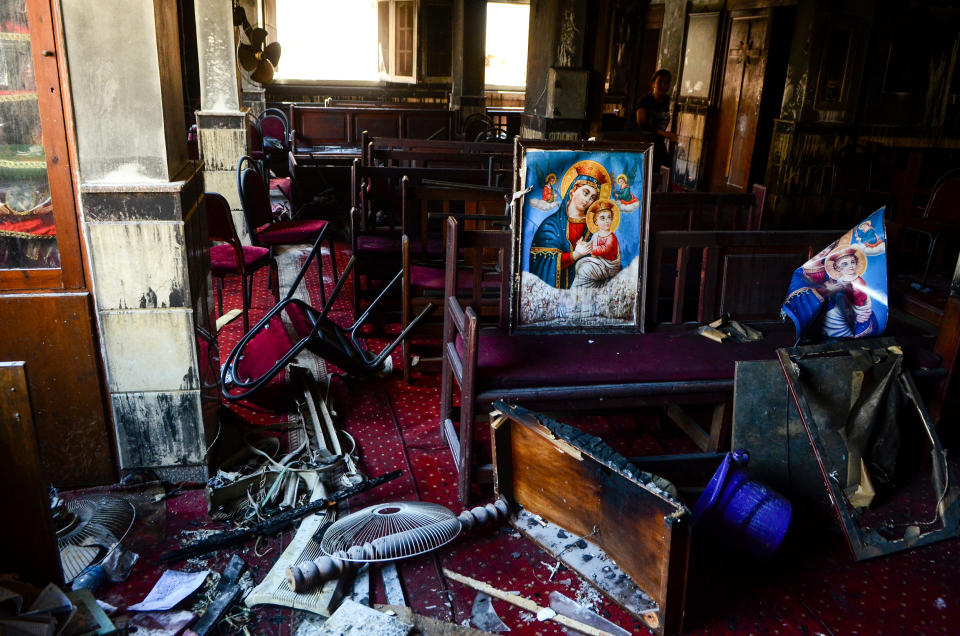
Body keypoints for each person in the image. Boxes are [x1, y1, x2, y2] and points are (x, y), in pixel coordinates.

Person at [529, 161, 609, 289]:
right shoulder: (550, 225)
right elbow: (543, 263)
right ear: (573, 190)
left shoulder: (593, 228)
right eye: (586, 193)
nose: (588, 200)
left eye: (593, 197)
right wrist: (576, 254)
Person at [783, 243, 877, 339]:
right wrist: (826, 290)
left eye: (852, 262)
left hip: (850, 311)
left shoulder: (857, 281)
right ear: (838, 267)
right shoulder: (835, 274)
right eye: (845, 264)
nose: (851, 266)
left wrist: (860, 311)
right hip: (827, 311)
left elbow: (860, 300)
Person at [573, 199, 622, 289]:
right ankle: (583, 290)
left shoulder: (611, 237)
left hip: (608, 266)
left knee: (585, 270)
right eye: (602, 218)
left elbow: (604, 250)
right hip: (598, 263)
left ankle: (578, 292)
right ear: (596, 222)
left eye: (609, 217)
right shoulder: (595, 235)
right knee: (579, 264)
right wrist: (582, 244)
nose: (607, 221)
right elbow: (590, 244)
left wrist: (590, 248)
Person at [635, 69, 677, 170]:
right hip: (644, 144)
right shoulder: (645, 101)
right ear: (653, 84)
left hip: (659, 144)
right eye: (660, 82)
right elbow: (643, 124)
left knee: (666, 169)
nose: (663, 85)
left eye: (666, 82)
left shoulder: (667, 101)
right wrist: (665, 134)